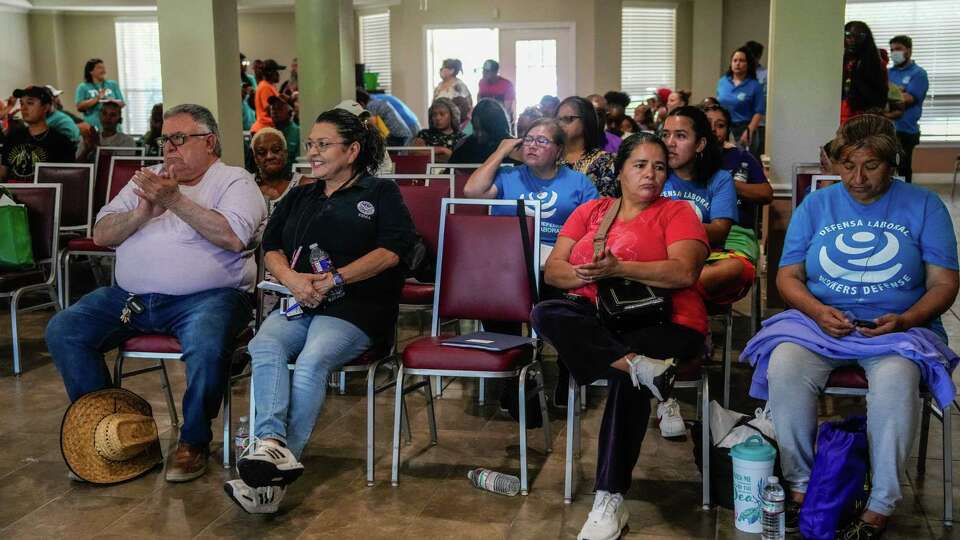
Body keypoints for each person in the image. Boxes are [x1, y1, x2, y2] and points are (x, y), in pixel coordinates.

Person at [743, 114, 959, 538]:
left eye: (871, 166)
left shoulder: (924, 205)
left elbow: (944, 283)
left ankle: (879, 505)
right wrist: (816, 311)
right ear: (835, 163)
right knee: (784, 366)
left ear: (892, 163)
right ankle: (803, 489)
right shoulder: (817, 205)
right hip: (822, 325)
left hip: (897, 330)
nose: (857, 178)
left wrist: (908, 318)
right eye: (847, 165)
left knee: (898, 379)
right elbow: (788, 276)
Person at [45, 103, 267, 483]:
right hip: (130, 297)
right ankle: (113, 431)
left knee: (207, 342)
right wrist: (141, 214)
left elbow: (233, 237)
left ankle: (193, 442)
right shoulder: (146, 182)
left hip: (210, 298)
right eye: (165, 140)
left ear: (210, 142)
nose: (169, 148)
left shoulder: (234, 181)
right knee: (64, 328)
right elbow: (101, 234)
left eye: (179, 139)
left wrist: (174, 201)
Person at [224, 108, 416, 514]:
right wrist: (294, 280)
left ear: (352, 151)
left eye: (323, 145)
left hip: (357, 306)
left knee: (312, 360)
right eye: (310, 144)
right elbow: (270, 246)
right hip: (300, 300)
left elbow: (393, 251)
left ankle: (269, 475)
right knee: (264, 346)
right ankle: (271, 447)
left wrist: (336, 280)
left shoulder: (380, 193)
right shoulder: (302, 193)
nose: (312, 152)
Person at [531, 132, 710, 540]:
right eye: (640, 165)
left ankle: (609, 495)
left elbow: (684, 272)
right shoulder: (591, 211)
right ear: (620, 171)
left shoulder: (678, 212)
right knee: (545, 311)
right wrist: (587, 274)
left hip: (668, 323)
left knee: (626, 380)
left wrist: (619, 269)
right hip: (600, 318)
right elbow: (553, 271)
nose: (651, 174)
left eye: (659, 166)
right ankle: (638, 367)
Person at [661, 106, 752, 305]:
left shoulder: (719, 179)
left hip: (703, 259)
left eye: (681, 136)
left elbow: (720, 231)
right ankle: (677, 296)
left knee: (735, 268)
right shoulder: (655, 174)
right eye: (665, 135)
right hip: (658, 256)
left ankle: (664, 295)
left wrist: (669, 229)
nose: (670, 143)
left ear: (700, 144)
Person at [464, 117, 598, 246]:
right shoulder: (507, 175)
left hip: (556, 257)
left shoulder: (579, 182)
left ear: (559, 150)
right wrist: (500, 152)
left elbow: (594, 228)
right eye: (528, 140)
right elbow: (472, 192)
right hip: (507, 251)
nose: (532, 146)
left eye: (541, 140)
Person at [703, 103, 772, 284]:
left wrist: (725, 184)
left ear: (727, 130)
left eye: (720, 125)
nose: (714, 130)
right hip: (697, 232)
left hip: (736, 232)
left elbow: (766, 194)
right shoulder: (686, 160)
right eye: (708, 124)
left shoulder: (741, 157)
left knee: (725, 270)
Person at [0, 86, 76, 180]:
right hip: (14, 193)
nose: (24, 108)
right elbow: (3, 173)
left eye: (30, 103)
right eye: (21, 103)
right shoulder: (13, 137)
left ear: (45, 107)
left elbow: (66, 179)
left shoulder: (61, 143)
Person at [556, 96, 618, 197]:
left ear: (586, 120)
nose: (561, 124)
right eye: (558, 119)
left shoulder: (606, 161)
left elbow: (605, 206)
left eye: (568, 119)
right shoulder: (551, 158)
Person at [887, 35, 928, 183]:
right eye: (892, 49)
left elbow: (909, 99)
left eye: (898, 49)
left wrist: (893, 93)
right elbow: (880, 95)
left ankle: (905, 200)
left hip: (906, 130)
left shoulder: (919, 74)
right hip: (887, 128)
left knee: (903, 168)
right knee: (886, 167)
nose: (894, 53)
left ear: (909, 51)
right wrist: (900, 91)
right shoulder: (888, 73)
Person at [716, 46, 765, 154]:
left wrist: (749, 131)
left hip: (745, 129)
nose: (737, 63)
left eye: (742, 61)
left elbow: (759, 111)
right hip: (725, 128)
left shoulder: (754, 85)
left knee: (742, 165)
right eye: (735, 60)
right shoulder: (723, 82)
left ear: (748, 64)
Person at [842, 21, 887, 125]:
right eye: (848, 35)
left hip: (864, 117)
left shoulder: (876, 62)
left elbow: (879, 96)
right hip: (842, 113)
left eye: (858, 36)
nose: (852, 40)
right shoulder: (842, 59)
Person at [250, 127, 304, 212]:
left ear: (285, 153)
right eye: (262, 153)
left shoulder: (303, 184)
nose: (269, 156)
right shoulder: (246, 184)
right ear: (255, 158)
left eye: (276, 150)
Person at [449, 98, 513, 165]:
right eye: (476, 129)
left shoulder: (511, 147)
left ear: (497, 129)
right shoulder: (467, 146)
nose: (479, 134)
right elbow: (450, 171)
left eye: (485, 130)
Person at [75, 58, 125, 132]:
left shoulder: (112, 84)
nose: (103, 71)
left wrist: (111, 100)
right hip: (93, 128)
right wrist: (97, 98)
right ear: (91, 71)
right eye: (99, 68)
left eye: (104, 68)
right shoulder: (83, 87)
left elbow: (122, 103)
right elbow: (79, 107)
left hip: (114, 128)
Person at [412, 97, 465, 162]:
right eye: (434, 115)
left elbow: (459, 160)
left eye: (442, 114)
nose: (437, 118)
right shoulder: (424, 134)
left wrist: (429, 153)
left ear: (452, 115)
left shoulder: (461, 137)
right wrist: (442, 150)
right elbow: (415, 153)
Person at [251, 59, 285, 133]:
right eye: (276, 71)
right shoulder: (265, 87)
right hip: (264, 129)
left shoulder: (269, 86)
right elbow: (271, 110)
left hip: (267, 128)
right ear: (270, 73)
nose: (278, 74)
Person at [267, 96, 299, 166]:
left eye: (279, 108)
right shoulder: (267, 134)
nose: (274, 111)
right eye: (272, 108)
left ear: (290, 111)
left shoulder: (298, 133)